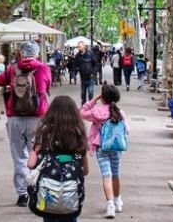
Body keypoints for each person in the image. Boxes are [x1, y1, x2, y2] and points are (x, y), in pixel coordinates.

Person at [0, 41, 51, 207]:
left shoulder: (13, 68)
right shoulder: (43, 68)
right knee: (37, 154)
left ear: (21, 53)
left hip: (15, 118)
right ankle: (35, 189)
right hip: (38, 117)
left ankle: (22, 194)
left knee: (19, 156)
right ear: (36, 53)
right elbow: (46, 87)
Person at [28, 96, 90, 222]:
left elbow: (30, 164)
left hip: (48, 192)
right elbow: (85, 171)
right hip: (71, 194)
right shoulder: (78, 134)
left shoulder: (44, 133)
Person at [81, 84, 129, 217]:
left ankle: (110, 205)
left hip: (102, 148)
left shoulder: (97, 112)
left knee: (106, 176)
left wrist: (92, 101)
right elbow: (127, 130)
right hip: (117, 148)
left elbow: (82, 113)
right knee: (116, 174)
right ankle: (118, 200)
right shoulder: (120, 113)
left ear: (102, 97)